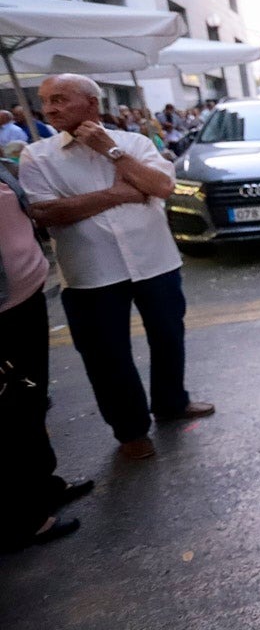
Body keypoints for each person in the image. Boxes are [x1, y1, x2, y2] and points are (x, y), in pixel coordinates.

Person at [19, 74, 215, 461]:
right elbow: (46, 212)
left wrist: (111, 152)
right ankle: (130, 430)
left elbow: (161, 187)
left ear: (91, 104)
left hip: (154, 260)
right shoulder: (37, 156)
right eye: (46, 101)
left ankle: (172, 402)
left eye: (60, 99)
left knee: (168, 336)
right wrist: (120, 194)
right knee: (106, 355)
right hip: (91, 272)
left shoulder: (134, 143)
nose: (50, 109)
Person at [0, 163, 92, 551]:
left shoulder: (3, 169)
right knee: (8, 413)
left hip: (25, 301)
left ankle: (44, 487)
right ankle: (21, 519)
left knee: (32, 400)